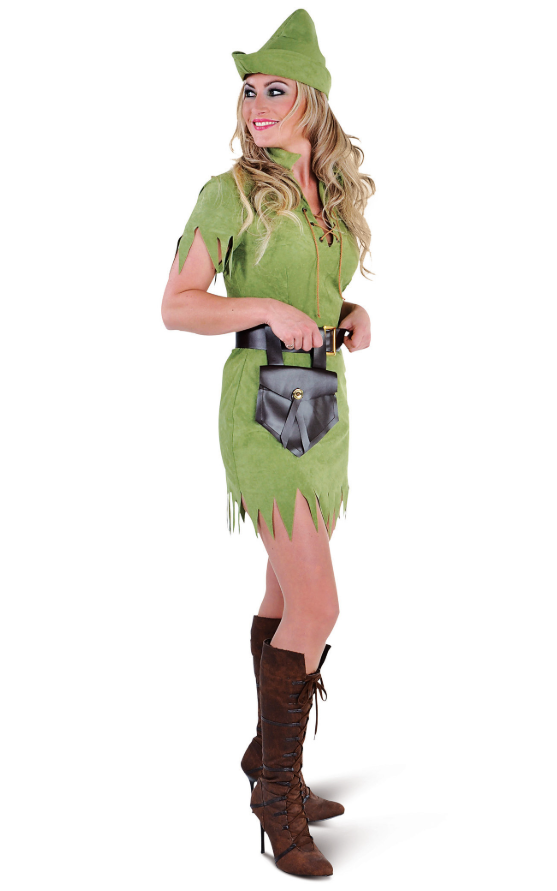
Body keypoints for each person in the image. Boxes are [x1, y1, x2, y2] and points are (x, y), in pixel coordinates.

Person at [161, 9, 375, 877]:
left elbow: (318, 294)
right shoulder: (230, 192)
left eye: (274, 89)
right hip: (261, 405)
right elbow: (177, 305)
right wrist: (263, 308)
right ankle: (275, 794)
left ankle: (265, 753)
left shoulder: (335, 196)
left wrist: (348, 312)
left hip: (324, 402)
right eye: (248, 90)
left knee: (286, 592)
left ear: (312, 99)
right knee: (319, 606)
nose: (256, 104)